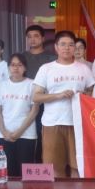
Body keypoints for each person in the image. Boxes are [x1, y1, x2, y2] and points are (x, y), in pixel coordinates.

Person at [32, 30, 95, 178]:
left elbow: (92, 91)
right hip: (52, 123)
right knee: (55, 168)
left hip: (78, 123)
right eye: (63, 44)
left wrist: (84, 96)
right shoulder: (46, 69)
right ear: (56, 47)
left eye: (71, 45)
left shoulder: (84, 69)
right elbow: (36, 96)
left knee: (77, 167)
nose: (67, 48)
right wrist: (58, 95)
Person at [0, 53, 39, 177]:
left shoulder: (32, 85)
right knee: (7, 171)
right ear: (8, 67)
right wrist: (4, 131)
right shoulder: (1, 85)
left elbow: (34, 110)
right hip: (4, 135)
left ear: (25, 68)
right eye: (12, 65)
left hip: (26, 135)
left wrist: (19, 131)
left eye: (20, 65)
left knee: (25, 173)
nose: (16, 68)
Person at [23, 25, 57, 163]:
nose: (32, 39)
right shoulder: (22, 57)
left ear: (43, 38)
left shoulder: (52, 58)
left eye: (36, 36)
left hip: (46, 103)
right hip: (24, 103)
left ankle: (42, 164)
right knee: (26, 133)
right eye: (29, 37)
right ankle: (29, 164)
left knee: (43, 134)